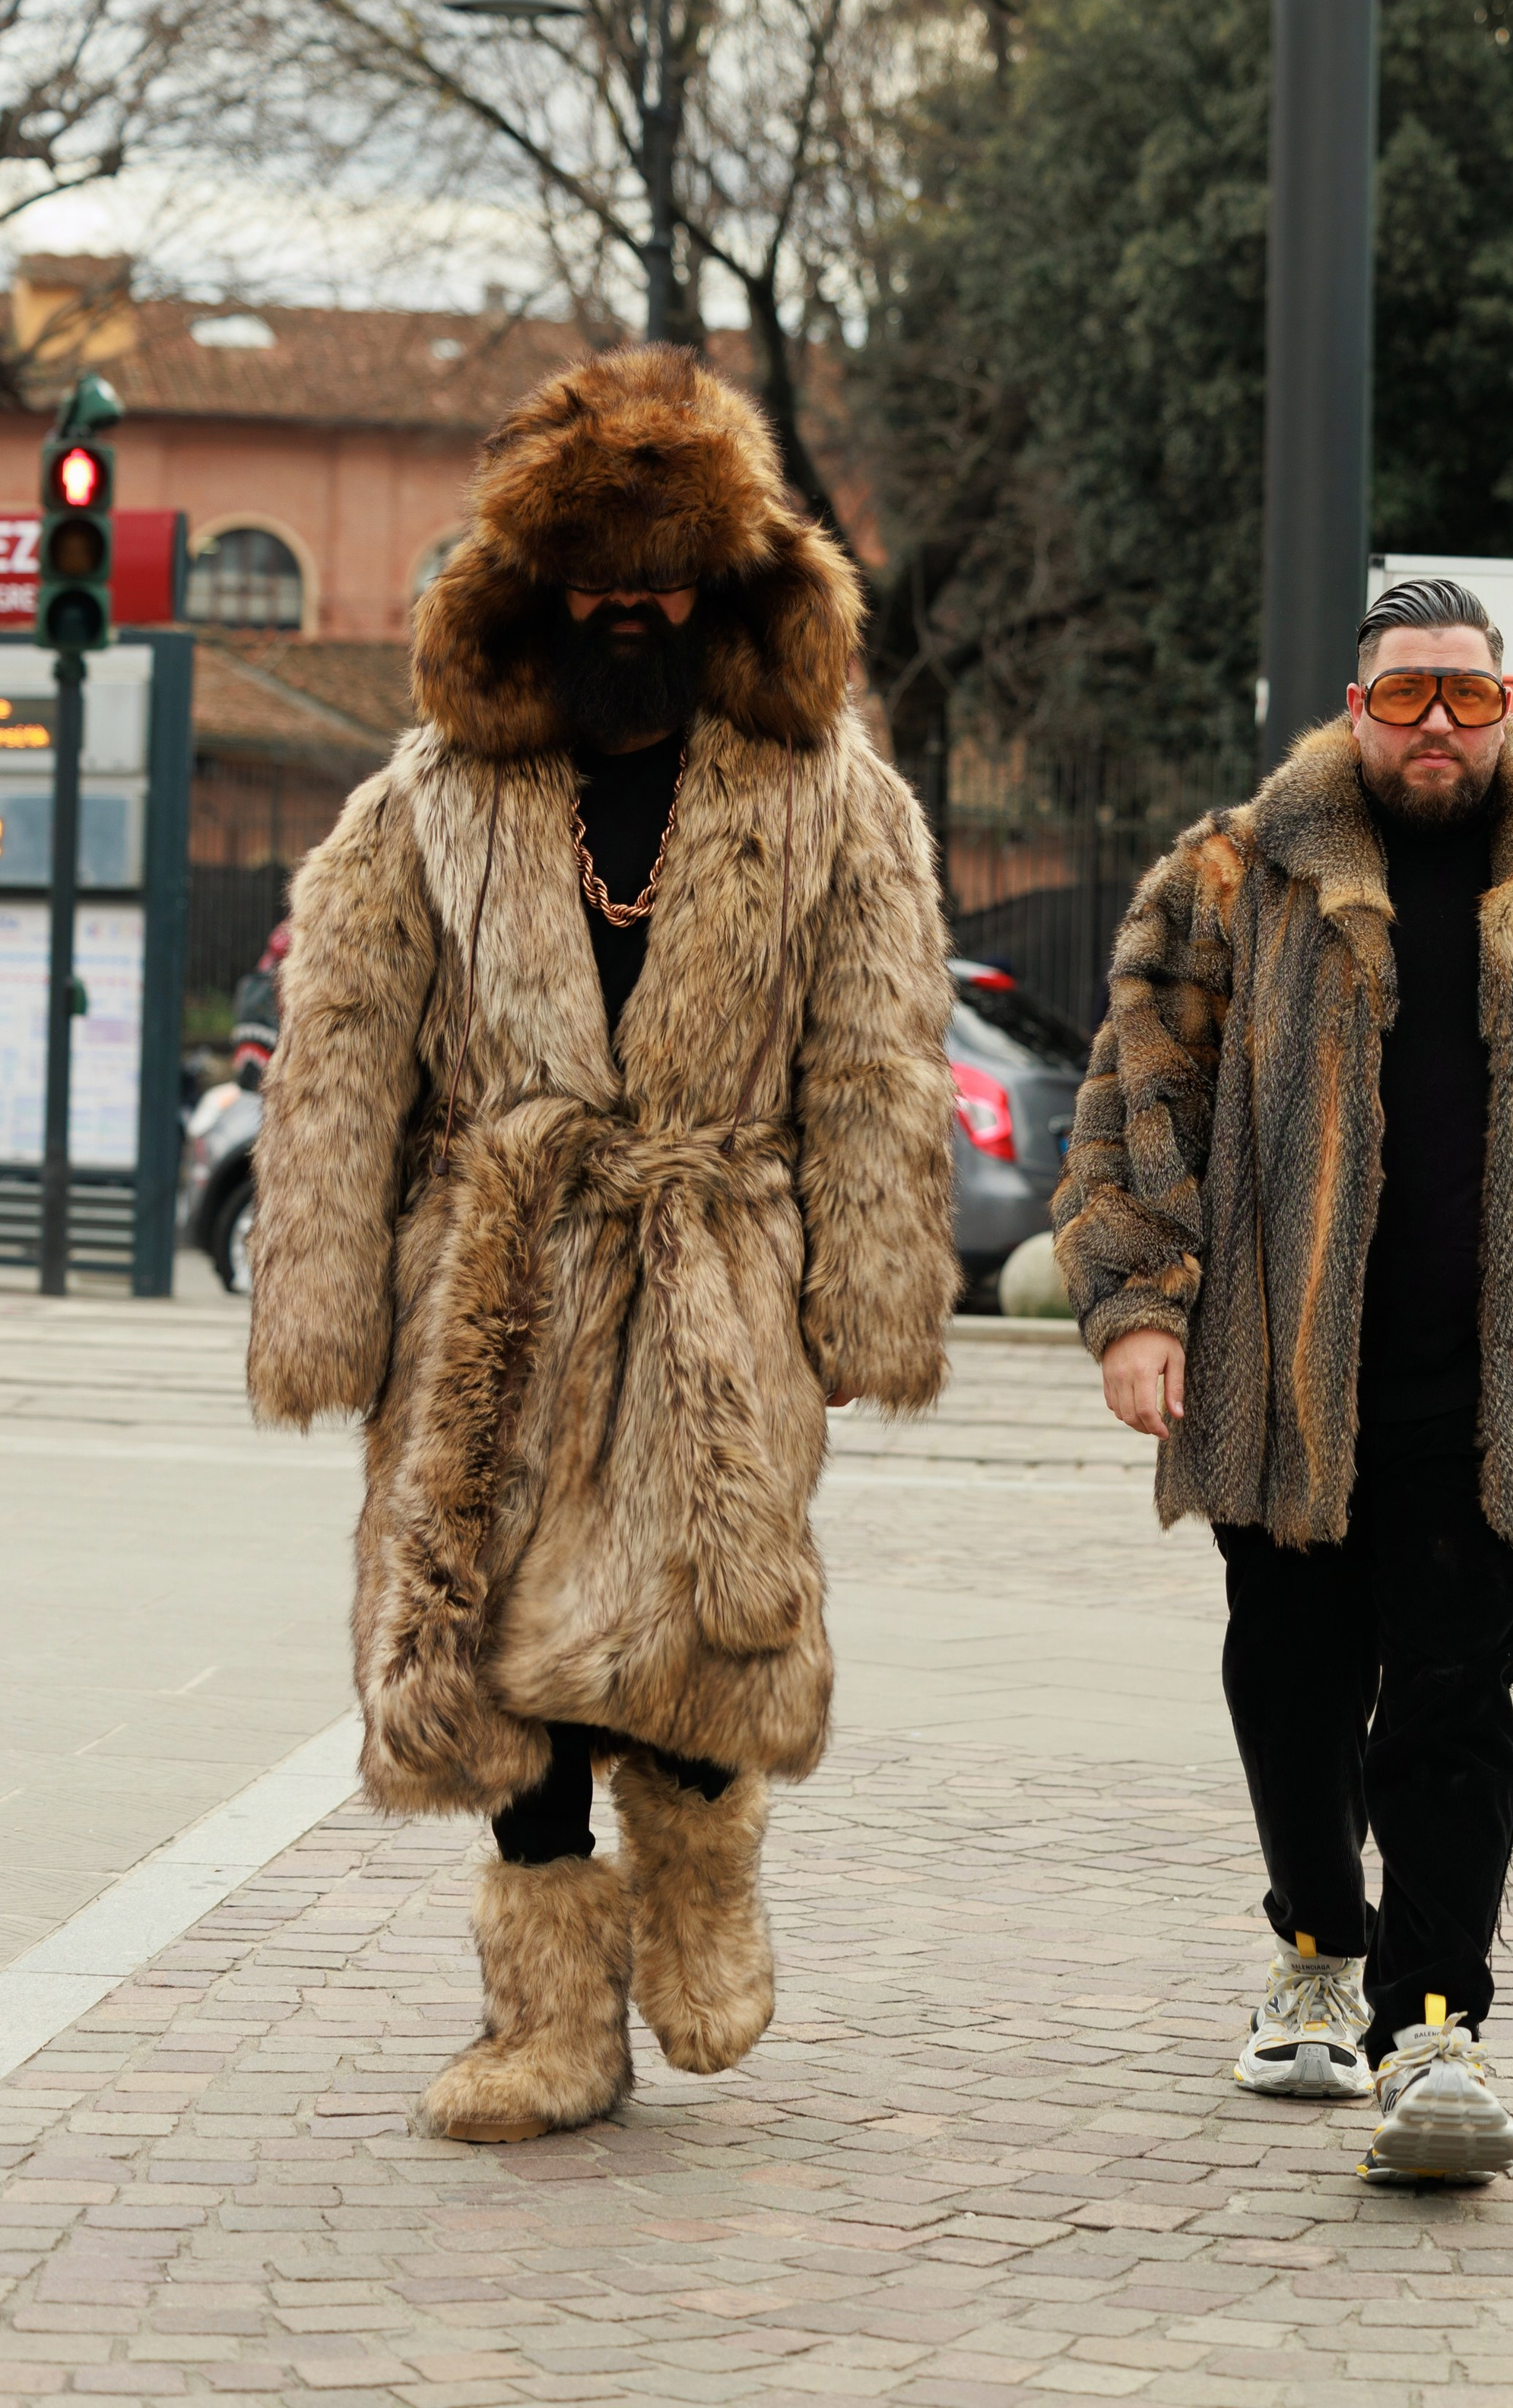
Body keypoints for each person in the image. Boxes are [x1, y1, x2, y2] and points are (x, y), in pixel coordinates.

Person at [248, 344, 957, 2143]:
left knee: (710, 1622)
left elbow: (875, 1059)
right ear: (533, 587)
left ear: (724, 581)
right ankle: (547, 2021)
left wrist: (864, 1298)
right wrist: (326, 1308)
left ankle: (704, 1868)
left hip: (718, 1265)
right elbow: (338, 1059)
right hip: (492, 1267)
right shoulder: (421, 800)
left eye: (662, 569)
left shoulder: (834, 798)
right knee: (490, 1652)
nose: (628, 603)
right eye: (593, 571)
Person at [1053, 576, 1513, 2184]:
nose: (1435, 723)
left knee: (1457, 1703)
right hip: (1284, 1365)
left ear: (1505, 703)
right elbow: (1136, 1105)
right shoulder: (1233, 874)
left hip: (1500, 1382)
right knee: (1296, 1680)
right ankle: (1314, 1948)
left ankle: (1432, 2022)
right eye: (1403, 697)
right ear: (1352, 705)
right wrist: (1137, 1309)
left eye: (1462, 694)